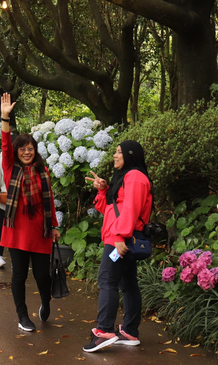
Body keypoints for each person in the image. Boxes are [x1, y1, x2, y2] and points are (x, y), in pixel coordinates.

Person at [82, 140, 152, 352]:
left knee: (107, 280)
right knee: (127, 283)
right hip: (120, 238)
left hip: (119, 241)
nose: (115, 155)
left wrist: (120, 236)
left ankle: (104, 331)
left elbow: (131, 208)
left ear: (130, 155)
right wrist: (104, 191)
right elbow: (112, 210)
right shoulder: (125, 177)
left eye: (119, 152)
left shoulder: (135, 177)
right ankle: (129, 331)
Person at [0, 93, 60, 333]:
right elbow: (5, 144)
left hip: (40, 232)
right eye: (23, 148)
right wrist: (5, 116)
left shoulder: (41, 171)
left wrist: (54, 226)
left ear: (35, 150)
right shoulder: (9, 167)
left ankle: (46, 302)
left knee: (43, 277)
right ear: (17, 151)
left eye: (31, 148)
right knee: (19, 276)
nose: (27, 152)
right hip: (17, 232)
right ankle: (22, 315)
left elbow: (50, 202)